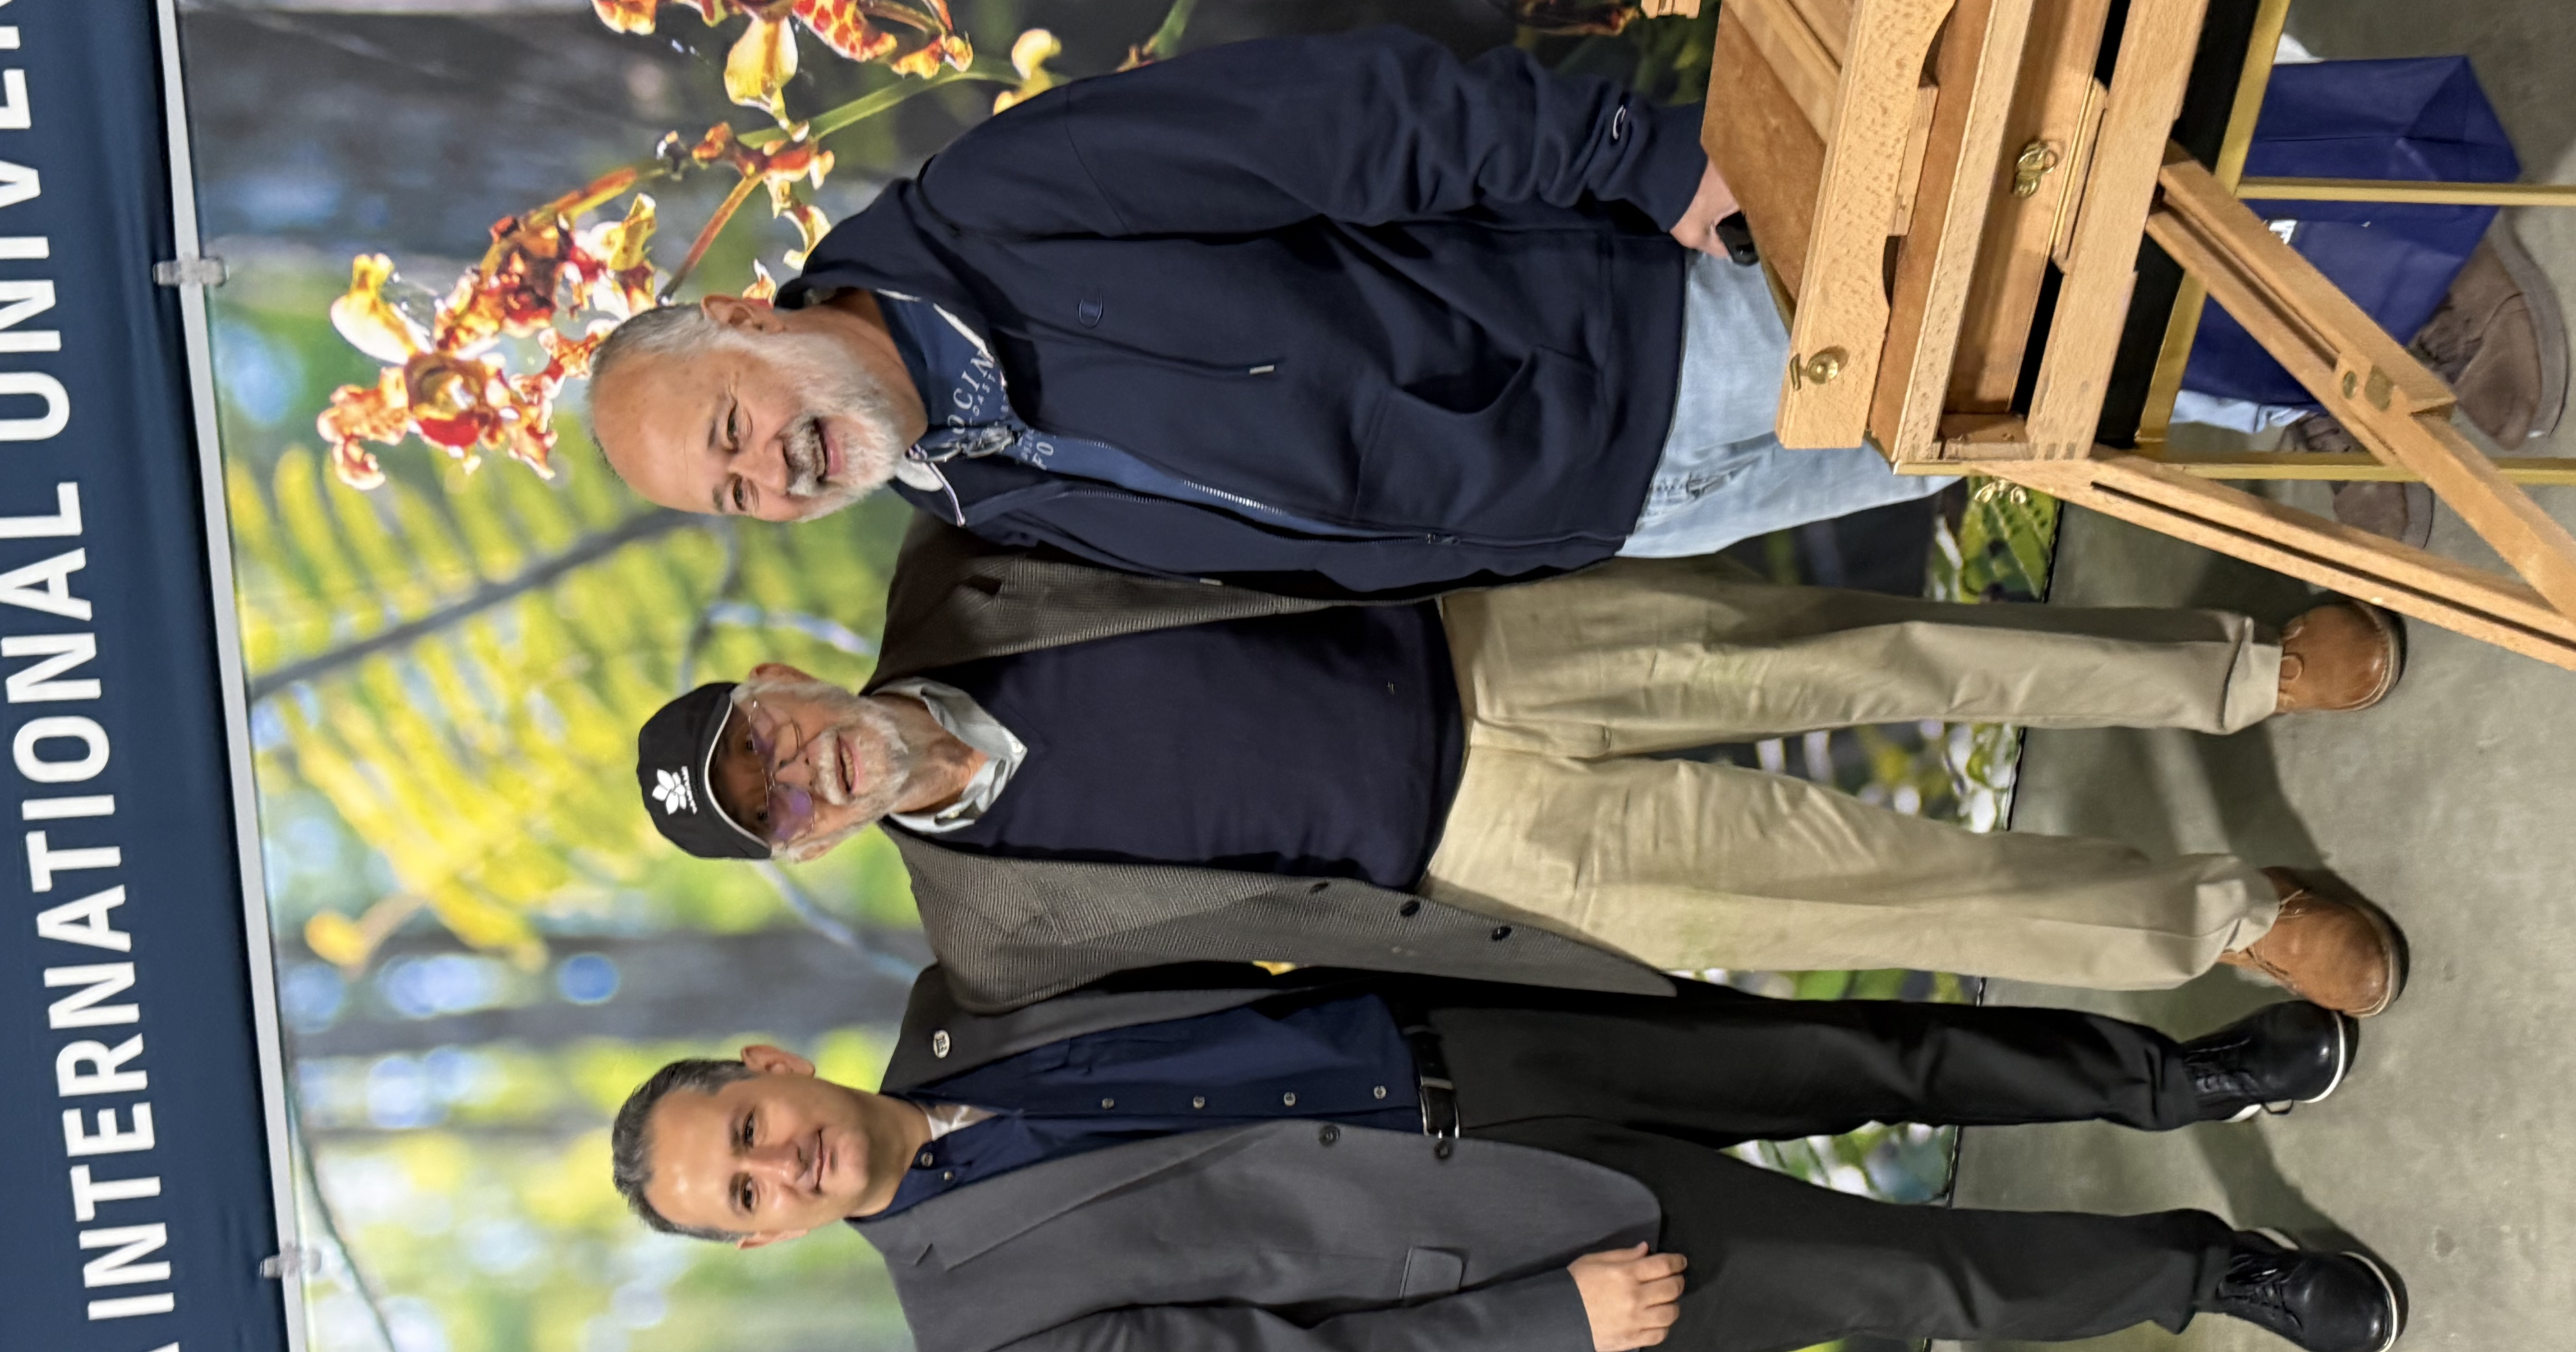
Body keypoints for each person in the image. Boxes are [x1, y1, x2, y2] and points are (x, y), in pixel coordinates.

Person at [634, 517, 2410, 1014]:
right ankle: (2232, 921)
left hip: (1483, 637)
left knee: (1882, 650)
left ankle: (2246, 669)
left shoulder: (960, 561)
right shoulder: (996, 938)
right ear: (806, 851)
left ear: (780, 679)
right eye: (775, 810)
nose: (805, 774)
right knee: (1885, 894)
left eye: (762, 741)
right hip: (1489, 851)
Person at [607, 967, 2402, 1352]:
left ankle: (2188, 1077)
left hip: (1488, 1040)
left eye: (747, 1126)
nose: (780, 1161)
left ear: (769, 1063)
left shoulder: (969, 994)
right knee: (1923, 1274)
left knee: (1880, 1051)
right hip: (1544, 1252)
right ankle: (2217, 1275)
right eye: (744, 1191)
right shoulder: (981, 1345)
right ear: (762, 1237)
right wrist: (1552, 1329)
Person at [584, 23, 1942, 590]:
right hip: (1633, 511)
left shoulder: (994, 203)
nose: (774, 473)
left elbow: (1343, 120)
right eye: (737, 497)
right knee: (2011, 441)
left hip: (1651, 332)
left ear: (747, 319)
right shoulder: (978, 507)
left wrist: (1629, 154)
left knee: (2037, 327)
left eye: (732, 432)